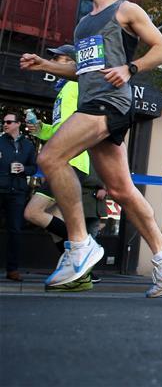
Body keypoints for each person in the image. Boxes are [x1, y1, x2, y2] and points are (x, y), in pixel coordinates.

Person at [20, 0, 162, 296]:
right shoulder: (84, 24)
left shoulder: (126, 10)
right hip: (92, 100)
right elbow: (83, 70)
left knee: (50, 157)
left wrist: (130, 68)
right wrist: (45, 65)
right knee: (121, 189)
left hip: (110, 103)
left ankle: (80, 243)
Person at [23, 46, 91, 272]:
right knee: (54, 221)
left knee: (33, 212)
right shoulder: (64, 90)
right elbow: (60, 129)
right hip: (66, 160)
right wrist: (41, 129)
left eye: (57, 58)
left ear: (71, 62)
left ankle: (85, 247)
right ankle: (79, 269)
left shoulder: (76, 85)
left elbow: (81, 124)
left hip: (70, 161)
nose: (52, 60)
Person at [0, 112, 37, 281]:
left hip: (18, 193)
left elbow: (34, 168)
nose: (5, 124)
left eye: (9, 122)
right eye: (4, 122)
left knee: (15, 230)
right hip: (1, 188)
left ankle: (12, 269)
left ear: (18, 124)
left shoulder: (28, 145)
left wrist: (24, 169)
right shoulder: (0, 141)